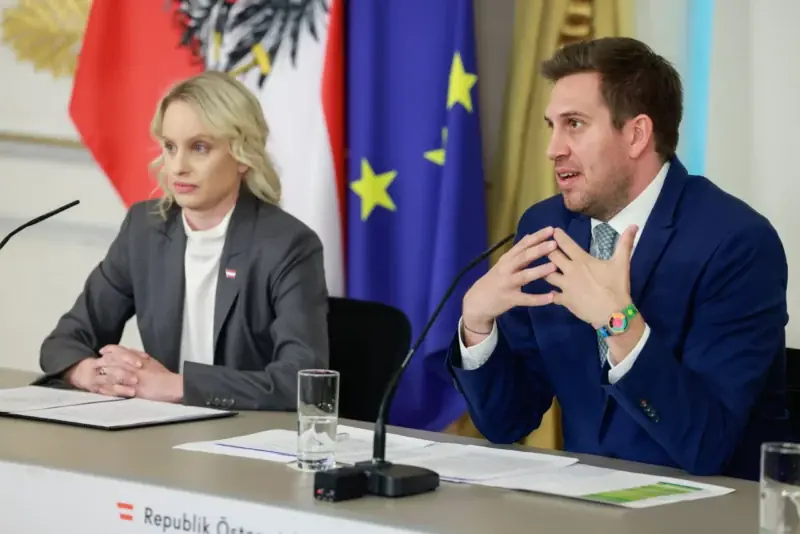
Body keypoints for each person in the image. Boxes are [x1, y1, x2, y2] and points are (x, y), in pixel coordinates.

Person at [448, 37, 790, 480]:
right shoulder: (548, 228)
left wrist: (620, 324)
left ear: (636, 135)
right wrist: (477, 326)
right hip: (582, 500)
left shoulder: (736, 244)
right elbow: (506, 422)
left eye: (574, 124)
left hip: (708, 505)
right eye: (551, 126)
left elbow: (708, 446)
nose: (553, 148)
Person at [38, 71, 329, 411]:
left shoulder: (288, 245)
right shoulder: (145, 230)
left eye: (199, 148)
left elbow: (301, 380)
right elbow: (64, 342)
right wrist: (91, 373)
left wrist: (176, 386)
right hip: (161, 428)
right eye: (170, 147)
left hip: (248, 431)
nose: (177, 167)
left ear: (242, 156)